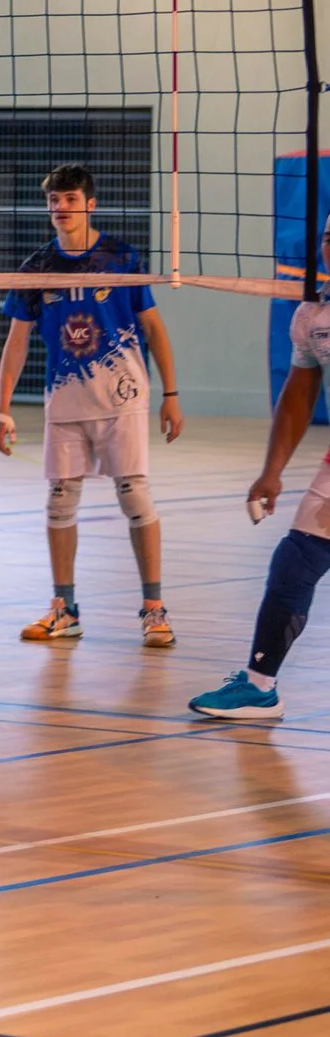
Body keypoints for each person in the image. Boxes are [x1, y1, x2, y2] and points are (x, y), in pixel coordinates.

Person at [0, 163, 183, 647]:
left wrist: (171, 395)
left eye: (70, 199)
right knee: (59, 502)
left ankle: (154, 610)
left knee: (135, 497)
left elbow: (154, 327)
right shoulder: (36, 268)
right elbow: (16, 342)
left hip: (123, 396)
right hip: (65, 399)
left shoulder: (121, 257)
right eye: (54, 200)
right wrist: (2, 408)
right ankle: (64, 609)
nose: (61, 208)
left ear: (90, 204)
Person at [189, 221, 330, 721]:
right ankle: (258, 685)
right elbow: (299, 393)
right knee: (296, 561)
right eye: (329, 237)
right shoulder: (312, 315)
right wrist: (271, 471)